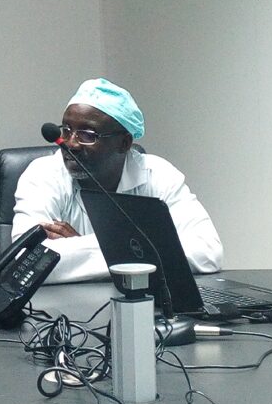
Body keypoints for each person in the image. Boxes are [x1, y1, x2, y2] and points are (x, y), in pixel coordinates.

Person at [12, 78, 223, 283]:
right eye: (66, 130)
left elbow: (207, 252)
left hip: (144, 303)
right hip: (63, 304)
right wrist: (139, 249)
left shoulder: (157, 175)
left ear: (124, 143)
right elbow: (25, 261)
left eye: (87, 135)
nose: (71, 144)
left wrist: (77, 246)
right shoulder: (43, 174)